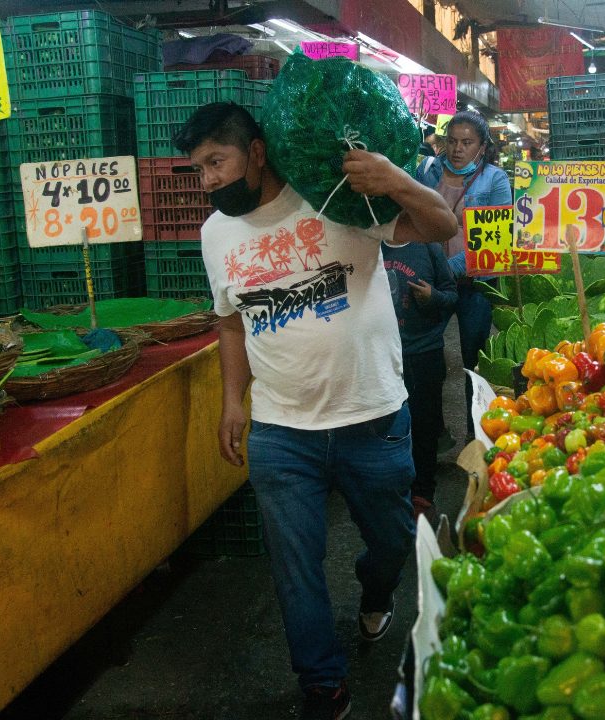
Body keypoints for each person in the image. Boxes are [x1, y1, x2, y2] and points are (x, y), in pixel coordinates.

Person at [174, 102, 456, 720]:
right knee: (294, 567)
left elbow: (442, 227)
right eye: (197, 170)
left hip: (373, 416)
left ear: (255, 152)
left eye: (215, 162)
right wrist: (232, 401)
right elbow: (228, 323)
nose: (207, 181)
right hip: (281, 431)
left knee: (391, 542)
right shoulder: (214, 235)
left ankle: (375, 591)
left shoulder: (335, 198)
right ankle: (322, 685)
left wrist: (395, 180)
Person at [415, 111, 512, 375]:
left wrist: (449, 268)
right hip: (432, 282)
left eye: (467, 143)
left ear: (482, 147)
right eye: (453, 141)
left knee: (475, 363)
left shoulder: (495, 179)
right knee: (424, 355)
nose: (458, 149)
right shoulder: (426, 170)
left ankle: (477, 417)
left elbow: (496, 238)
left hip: (475, 286)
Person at [382, 236, 457, 519]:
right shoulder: (370, 243)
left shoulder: (429, 246)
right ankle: (394, 495)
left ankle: (422, 496)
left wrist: (432, 297)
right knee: (388, 426)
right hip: (383, 356)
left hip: (425, 353)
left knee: (425, 428)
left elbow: (451, 294)